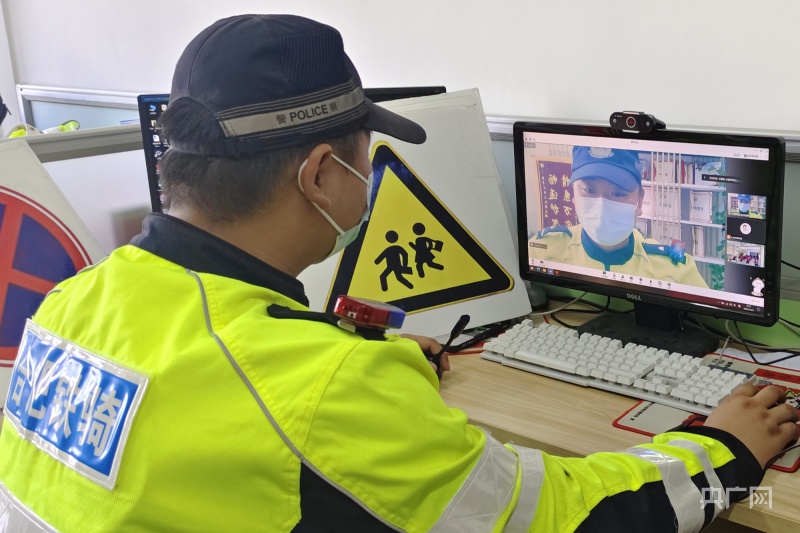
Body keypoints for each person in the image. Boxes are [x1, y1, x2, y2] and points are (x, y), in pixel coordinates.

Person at [0, 14, 797, 533]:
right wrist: (725, 448)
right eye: (366, 158)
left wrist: (344, 356)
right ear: (321, 175)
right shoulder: (326, 388)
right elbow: (558, 516)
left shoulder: (73, 301)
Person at [531, 146, 709, 288]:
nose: (601, 206)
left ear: (640, 202)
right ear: (573, 195)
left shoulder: (676, 271)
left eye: (618, 193)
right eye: (589, 190)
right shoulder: (542, 251)